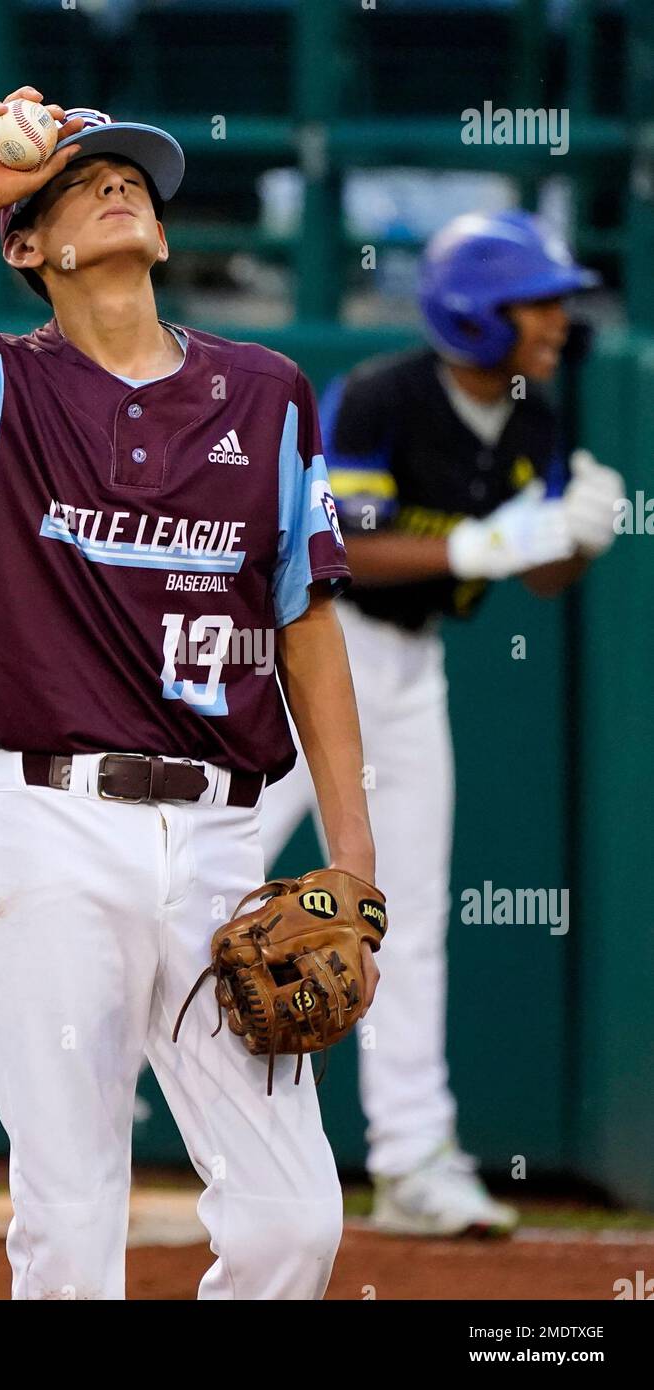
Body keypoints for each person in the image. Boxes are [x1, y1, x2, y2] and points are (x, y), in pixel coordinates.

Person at [0, 93, 380, 1300]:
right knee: (68, 1227)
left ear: (164, 237)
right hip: (54, 833)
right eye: (80, 181)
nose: (118, 188)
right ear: (28, 243)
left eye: (135, 182)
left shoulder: (266, 391)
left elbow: (306, 624)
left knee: (293, 1227)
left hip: (224, 838)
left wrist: (355, 864)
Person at [258, 210, 624, 1237]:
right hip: (310, 655)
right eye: (537, 303)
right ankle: (135, 1106)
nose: (557, 322)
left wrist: (576, 536)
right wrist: (479, 545)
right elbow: (341, 546)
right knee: (208, 872)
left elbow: (541, 571)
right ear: (475, 315)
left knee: (404, 917)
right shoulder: (383, 395)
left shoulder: (532, 417)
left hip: (412, 673)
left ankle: (414, 1156)